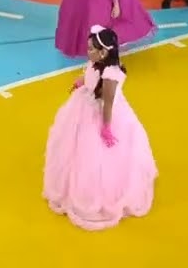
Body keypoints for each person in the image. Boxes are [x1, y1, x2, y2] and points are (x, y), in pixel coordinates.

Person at [43, 26, 156, 230]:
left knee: (95, 156)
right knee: (74, 151)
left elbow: (108, 104)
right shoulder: (96, 62)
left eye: (91, 49)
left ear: (103, 52)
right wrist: (80, 83)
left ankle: (99, 194)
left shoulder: (112, 75)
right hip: (83, 105)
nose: (88, 52)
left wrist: (106, 128)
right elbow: (88, 75)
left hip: (100, 114)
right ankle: (71, 187)